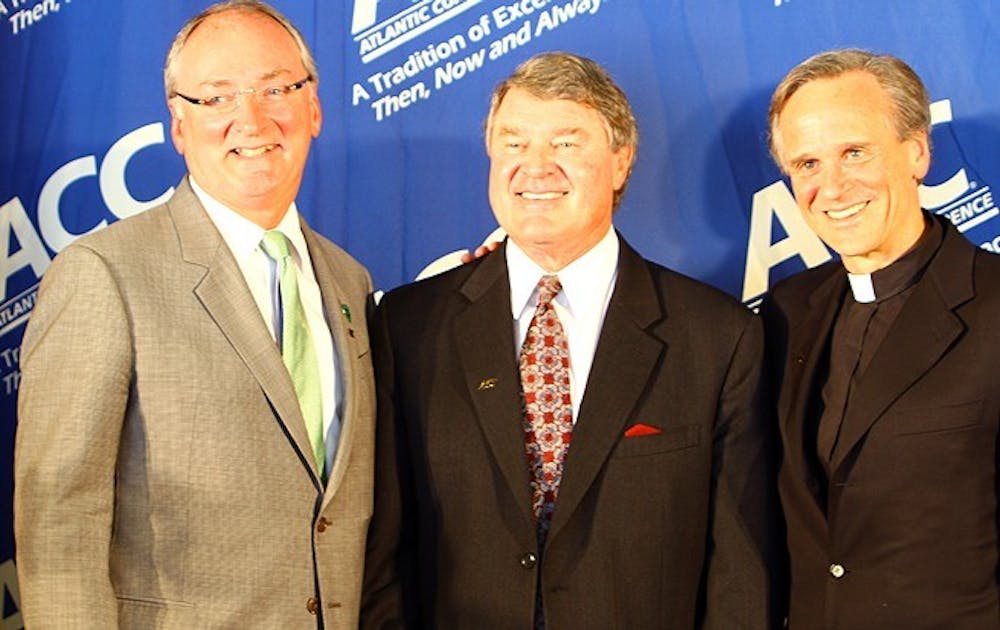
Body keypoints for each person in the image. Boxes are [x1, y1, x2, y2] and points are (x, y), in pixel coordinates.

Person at [361, 51, 779, 629]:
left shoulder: (717, 337)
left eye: (565, 143)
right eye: (513, 143)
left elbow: (740, 574)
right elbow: (381, 552)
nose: (534, 168)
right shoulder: (406, 325)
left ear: (621, 161)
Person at [14, 1, 375, 627]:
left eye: (276, 88)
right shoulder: (103, 274)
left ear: (314, 107)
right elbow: (59, 525)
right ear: (178, 126)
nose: (252, 118)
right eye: (218, 98)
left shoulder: (349, 279)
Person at [763, 48, 1000, 628]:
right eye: (807, 164)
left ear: (917, 151)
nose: (832, 186)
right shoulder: (786, 311)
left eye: (854, 152)